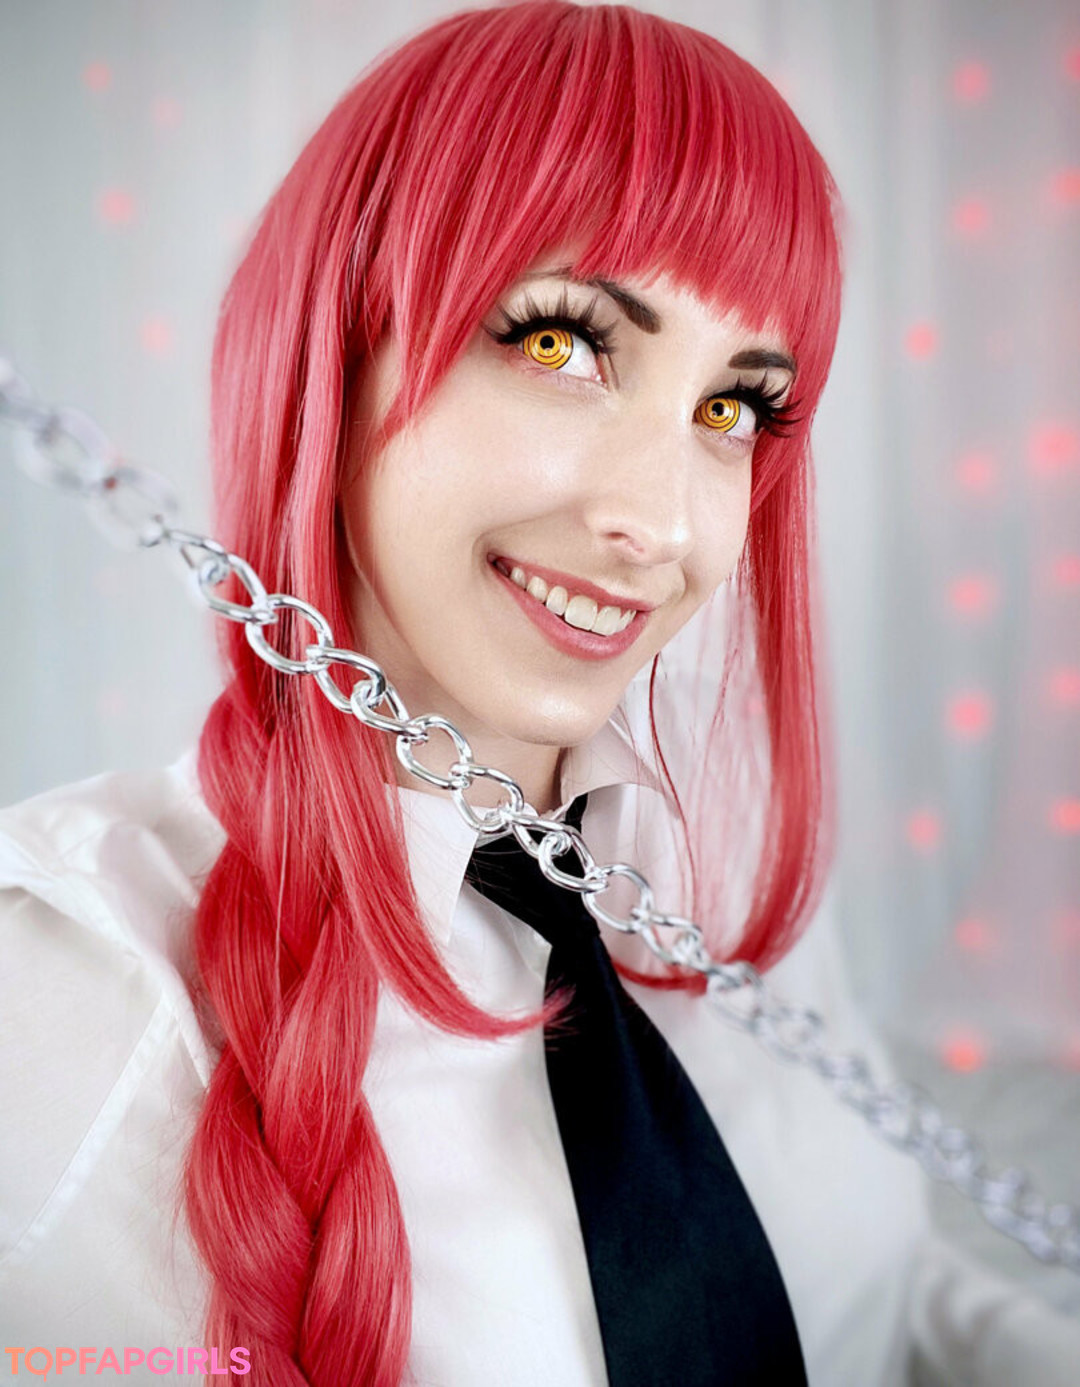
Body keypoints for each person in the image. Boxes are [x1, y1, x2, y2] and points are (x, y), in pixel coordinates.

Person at [1, 3, 1077, 1385]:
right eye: (563, 344)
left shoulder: (717, 852)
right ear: (333, 349)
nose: (663, 525)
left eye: (732, 408)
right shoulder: (65, 991)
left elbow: (868, 1288)